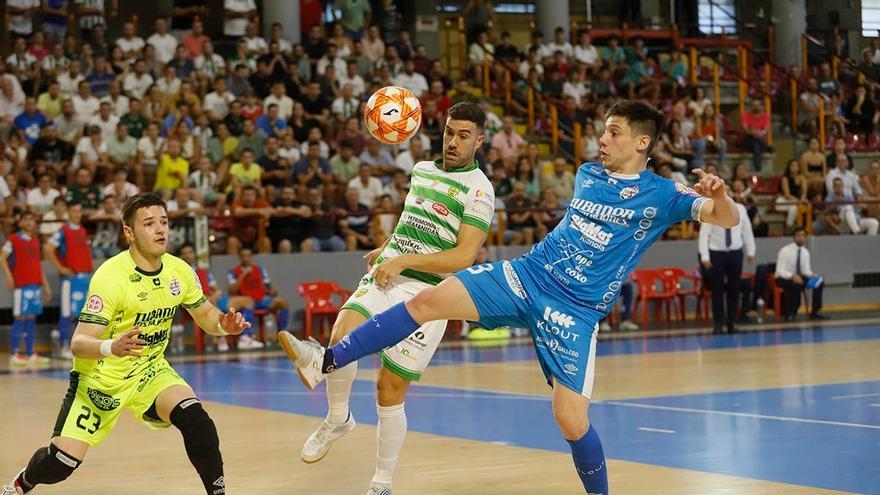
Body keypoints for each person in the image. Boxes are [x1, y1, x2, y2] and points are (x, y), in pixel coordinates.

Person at [278, 100, 739, 494]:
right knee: (426, 303)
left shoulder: (662, 194)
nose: (602, 139)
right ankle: (327, 361)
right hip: (528, 275)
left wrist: (720, 196)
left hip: (575, 310)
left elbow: (726, 220)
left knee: (571, 420)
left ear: (642, 143)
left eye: (613, 133)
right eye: (603, 130)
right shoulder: (587, 173)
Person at [279, 101, 494, 495]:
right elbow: (413, 220)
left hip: (429, 294)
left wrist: (405, 259)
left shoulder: (480, 190)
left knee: (388, 390)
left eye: (464, 136)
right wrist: (388, 247)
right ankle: (337, 417)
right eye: (449, 132)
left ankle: (381, 484)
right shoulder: (422, 170)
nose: (453, 141)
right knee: (342, 333)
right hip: (388, 273)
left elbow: (464, 256)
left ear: (479, 141)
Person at [2, 193, 250, 495]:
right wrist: (111, 346)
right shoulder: (110, 277)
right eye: (149, 223)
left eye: (164, 222)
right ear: (129, 233)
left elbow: (206, 315)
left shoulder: (180, 271)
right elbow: (79, 343)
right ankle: (22, 483)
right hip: (99, 380)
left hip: (149, 371)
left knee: (197, 421)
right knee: (61, 464)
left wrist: (223, 324)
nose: (160, 230)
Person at [698, 188, 755, 333]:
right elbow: (704, 234)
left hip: (735, 252)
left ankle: (731, 322)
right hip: (717, 253)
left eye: (729, 191)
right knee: (717, 289)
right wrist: (705, 256)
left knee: (734, 289)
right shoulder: (711, 207)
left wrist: (751, 250)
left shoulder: (740, 208)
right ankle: (718, 323)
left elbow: (747, 230)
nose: (727, 194)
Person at [179, 243, 255, 352]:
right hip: (196, 305)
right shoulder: (179, 274)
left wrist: (214, 296)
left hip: (214, 299)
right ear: (180, 257)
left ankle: (245, 337)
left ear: (194, 254)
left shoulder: (203, 272)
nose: (187, 256)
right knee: (211, 306)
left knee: (248, 301)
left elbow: (218, 290)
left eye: (190, 252)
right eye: (184, 254)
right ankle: (221, 338)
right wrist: (207, 300)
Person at [1, 210, 52, 365]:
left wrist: (46, 285)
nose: (29, 222)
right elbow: (2, 257)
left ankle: (30, 353)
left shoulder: (36, 241)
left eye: (32, 219)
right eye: (26, 220)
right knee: (20, 318)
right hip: (21, 286)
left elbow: (37, 265)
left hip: (35, 285)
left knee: (31, 319)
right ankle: (14, 354)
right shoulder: (13, 239)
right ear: (21, 222)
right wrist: (8, 275)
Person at [44, 200, 93, 358]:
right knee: (67, 312)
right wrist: (61, 268)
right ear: (68, 212)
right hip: (70, 280)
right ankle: (64, 345)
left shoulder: (83, 231)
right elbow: (48, 249)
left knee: (83, 314)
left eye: (79, 211)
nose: (77, 214)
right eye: (74, 211)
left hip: (84, 278)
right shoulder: (63, 230)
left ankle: (75, 344)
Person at [227, 247, 289, 348]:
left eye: (248, 256)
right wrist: (243, 274)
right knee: (247, 303)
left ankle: (281, 336)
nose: (246, 258)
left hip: (261, 300)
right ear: (239, 257)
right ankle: (246, 337)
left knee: (283, 302)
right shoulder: (233, 272)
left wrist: (272, 290)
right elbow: (232, 290)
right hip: (246, 302)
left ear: (251, 257)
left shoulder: (260, 270)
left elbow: (268, 285)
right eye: (243, 256)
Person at [775, 228, 826, 321]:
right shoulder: (785, 251)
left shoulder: (805, 252)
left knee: (818, 283)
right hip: (783, 278)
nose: (801, 238)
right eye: (798, 235)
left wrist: (816, 276)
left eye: (803, 236)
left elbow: (806, 271)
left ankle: (815, 312)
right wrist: (792, 276)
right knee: (796, 284)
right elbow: (780, 271)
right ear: (794, 237)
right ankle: (791, 313)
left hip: (800, 278)